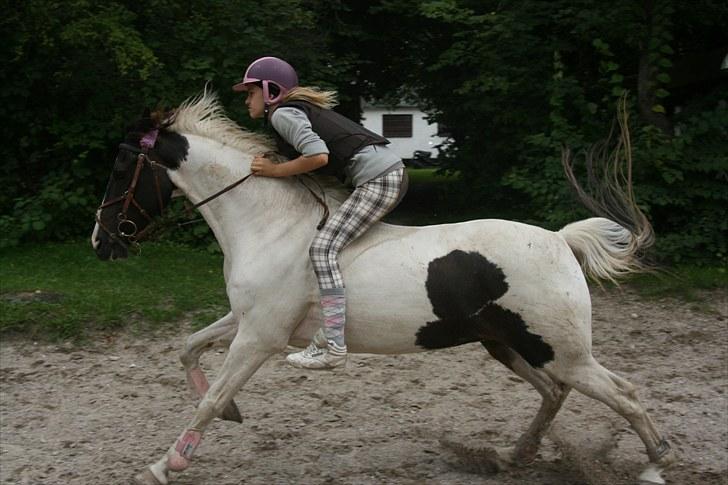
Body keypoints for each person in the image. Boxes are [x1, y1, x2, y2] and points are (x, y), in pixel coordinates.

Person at [233, 56, 407, 370]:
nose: (247, 100)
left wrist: (273, 171)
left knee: (323, 248)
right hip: (384, 174)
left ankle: (333, 344)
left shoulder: (283, 114)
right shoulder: (290, 113)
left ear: (270, 90)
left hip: (380, 180)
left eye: (250, 92)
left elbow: (318, 156)